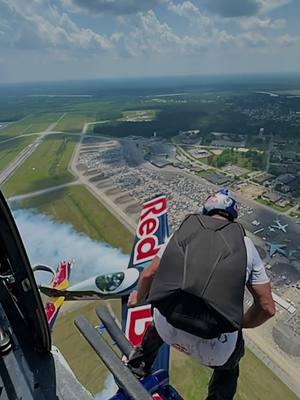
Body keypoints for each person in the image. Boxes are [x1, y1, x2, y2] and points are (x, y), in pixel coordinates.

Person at [127, 189, 275, 400]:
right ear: (232, 215)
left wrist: (138, 300)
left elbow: (149, 275)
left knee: (157, 318)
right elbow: (267, 307)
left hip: (168, 329)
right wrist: (240, 324)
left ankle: (139, 364)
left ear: (206, 210)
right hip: (215, 347)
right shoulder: (246, 246)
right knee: (229, 369)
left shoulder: (183, 231)